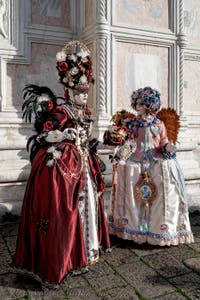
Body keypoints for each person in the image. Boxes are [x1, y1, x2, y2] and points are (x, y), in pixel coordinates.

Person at [13, 40, 110, 284]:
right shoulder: (61, 112)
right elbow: (43, 136)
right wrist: (62, 135)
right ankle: (64, 258)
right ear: (68, 90)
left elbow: (85, 137)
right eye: (79, 92)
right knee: (64, 210)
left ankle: (85, 252)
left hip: (83, 165)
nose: (83, 96)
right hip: (62, 168)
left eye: (86, 92)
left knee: (87, 203)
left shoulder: (84, 114)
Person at [104, 86, 194, 246]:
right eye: (136, 104)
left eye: (141, 104)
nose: (137, 107)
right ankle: (132, 229)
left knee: (165, 178)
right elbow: (128, 142)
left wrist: (168, 148)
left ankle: (158, 230)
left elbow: (163, 141)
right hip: (136, 160)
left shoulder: (158, 124)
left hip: (154, 160)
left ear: (149, 106)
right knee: (129, 175)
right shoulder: (131, 123)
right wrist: (122, 152)